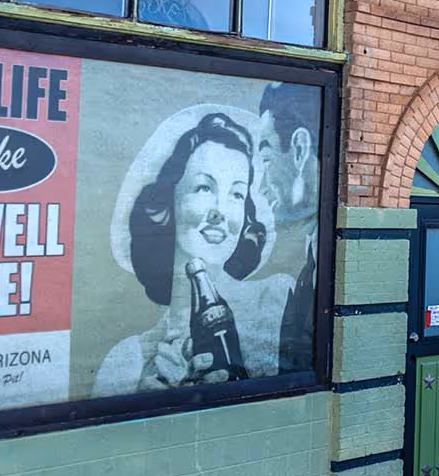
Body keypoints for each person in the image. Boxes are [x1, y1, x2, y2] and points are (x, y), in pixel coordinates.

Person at [94, 110, 294, 395]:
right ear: (168, 204)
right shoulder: (127, 361)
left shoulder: (277, 300)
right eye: (204, 188)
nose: (220, 212)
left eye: (236, 194)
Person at [255, 83, 319, 374]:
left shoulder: (319, 268)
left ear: (299, 149)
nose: (261, 186)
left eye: (266, 159)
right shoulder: (311, 264)